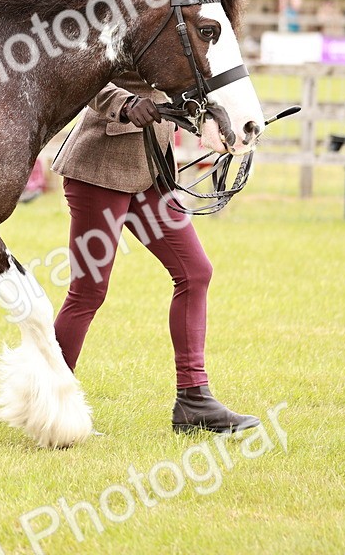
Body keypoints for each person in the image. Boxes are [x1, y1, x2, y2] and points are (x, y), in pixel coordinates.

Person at [50, 72, 260, 434]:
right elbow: (81, 77)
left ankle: (193, 400)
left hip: (152, 170)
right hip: (101, 168)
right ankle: (50, 401)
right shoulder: (109, 15)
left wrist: (218, 122)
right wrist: (125, 102)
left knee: (195, 272)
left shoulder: (179, 17)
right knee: (88, 293)